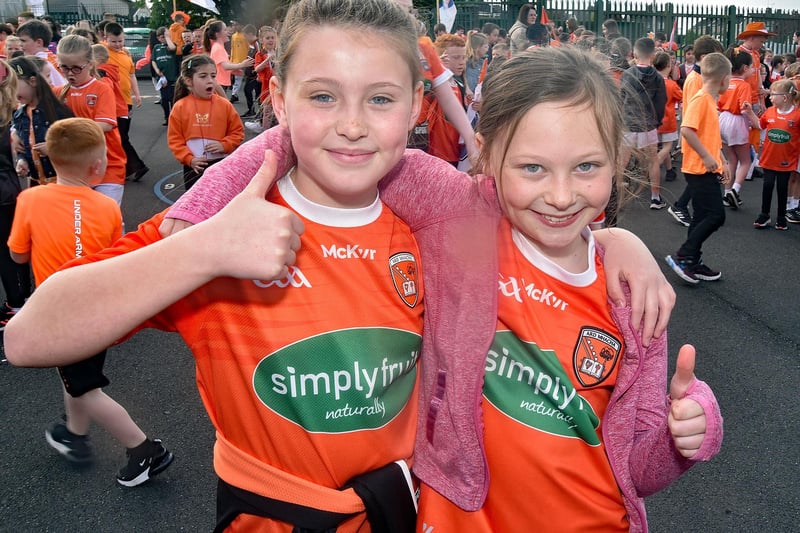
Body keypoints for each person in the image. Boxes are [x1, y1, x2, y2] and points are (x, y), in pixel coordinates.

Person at [158, 47, 714, 532]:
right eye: (533, 169)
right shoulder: (459, 213)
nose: (562, 195)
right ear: (489, 155)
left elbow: (637, 471)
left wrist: (687, 433)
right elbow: (307, 132)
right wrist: (204, 204)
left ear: (618, 162)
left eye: (587, 166)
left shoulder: (632, 299)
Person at [9, 1, 425, 529]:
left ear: (414, 108)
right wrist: (202, 252)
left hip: (398, 510)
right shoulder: (218, 227)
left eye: (381, 99)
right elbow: (27, 339)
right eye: (323, 95)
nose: (351, 124)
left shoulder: (425, 234)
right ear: (279, 99)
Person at [7, 117, 174, 485]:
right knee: (75, 377)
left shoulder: (31, 199)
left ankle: (144, 449)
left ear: (49, 158)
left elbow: (17, 255)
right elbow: (115, 256)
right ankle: (75, 433)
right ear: (98, 166)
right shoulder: (106, 207)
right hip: (99, 308)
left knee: (85, 386)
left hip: (58, 311)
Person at [665, 52, 732, 284]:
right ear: (723, 78)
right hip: (698, 168)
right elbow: (686, 129)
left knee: (702, 215)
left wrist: (722, 160)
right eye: (730, 78)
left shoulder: (710, 101)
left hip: (706, 168)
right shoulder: (702, 99)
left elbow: (709, 137)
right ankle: (684, 255)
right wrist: (706, 156)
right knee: (716, 216)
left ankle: (692, 259)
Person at [56, 34, 127, 205]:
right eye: (64, 68)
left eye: (76, 68)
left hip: (108, 166)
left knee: (107, 218)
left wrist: (64, 133)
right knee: (80, 220)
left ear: (90, 64)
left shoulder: (102, 89)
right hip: (75, 168)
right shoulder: (59, 92)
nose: (69, 73)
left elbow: (105, 125)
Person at [667, 35, 724, 228]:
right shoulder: (695, 80)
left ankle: (684, 207)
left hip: (703, 137)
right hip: (697, 139)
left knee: (700, 178)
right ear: (706, 56)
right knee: (698, 178)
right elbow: (691, 114)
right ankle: (680, 206)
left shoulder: (700, 77)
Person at [168, 54, 244, 191]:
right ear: (189, 81)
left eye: (213, 76)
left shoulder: (225, 105)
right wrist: (189, 159)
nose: (210, 81)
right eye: (203, 76)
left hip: (221, 164)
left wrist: (224, 145)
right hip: (194, 167)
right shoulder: (180, 107)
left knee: (220, 201)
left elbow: (237, 132)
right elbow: (175, 140)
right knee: (196, 204)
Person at [0, 59, 33, 331]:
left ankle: (16, 301)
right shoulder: (15, 114)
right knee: (12, 246)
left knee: (6, 250)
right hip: (9, 187)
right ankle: (21, 297)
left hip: (5, 187)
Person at [620, 37, 667, 209]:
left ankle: (614, 196)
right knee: (653, 161)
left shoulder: (627, 74)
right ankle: (655, 198)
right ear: (653, 55)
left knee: (621, 161)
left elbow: (621, 98)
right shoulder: (658, 78)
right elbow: (661, 102)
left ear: (635, 53)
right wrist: (657, 121)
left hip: (628, 122)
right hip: (648, 124)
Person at [103, 22, 148, 181]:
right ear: (105, 38)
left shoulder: (126, 54)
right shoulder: (102, 53)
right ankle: (133, 166)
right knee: (119, 137)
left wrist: (137, 94)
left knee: (121, 136)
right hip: (109, 102)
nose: (118, 44)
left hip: (125, 101)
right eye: (113, 41)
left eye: (121, 41)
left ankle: (132, 167)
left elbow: (131, 75)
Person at [753, 80, 800, 230]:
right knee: (767, 186)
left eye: (773, 94)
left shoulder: (797, 115)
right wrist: (748, 113)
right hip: (769, 158)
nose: (770, 97)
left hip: (786, 160)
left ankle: (781, 217)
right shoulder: (770, 111)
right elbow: (760, 125)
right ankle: (764, 215)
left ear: (785, 97)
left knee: (781, 188)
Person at [718, 46, 761, 210]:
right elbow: (745, 108)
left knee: (731, 159)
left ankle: (726, 192)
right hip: (737, 122)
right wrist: (755, 122)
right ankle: (734, 190)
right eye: (751, 67)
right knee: (746, 160)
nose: (752, 70)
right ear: (744, 68)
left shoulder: (726, 82)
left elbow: (719, 104)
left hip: (723, 119)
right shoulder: (744, 86)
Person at [203, 20, 253, 95]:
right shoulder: (218, 48)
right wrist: (242, 64)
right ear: (218, 34)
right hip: (219, 83)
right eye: (225, 30)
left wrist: (234, 70)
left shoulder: (218, 47)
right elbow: (225, 66)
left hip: (220, 83)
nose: (229, 31)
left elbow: (220, 66)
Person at [654, 51, 682, 183]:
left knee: (656, 146)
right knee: (667, 147)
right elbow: (681, 97)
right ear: (668, 66)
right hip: (668, 120)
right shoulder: (671, 84)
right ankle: (654, 165)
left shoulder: (650, 82)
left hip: (653, 119)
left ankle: (669, 170)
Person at [16, 19, 66, 86]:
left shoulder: (40, 63)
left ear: (39, 42)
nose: (20, 44)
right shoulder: (52, 57)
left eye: (23, 41)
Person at [151, 26, 179, 126]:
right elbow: (153, 60)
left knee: (172, 98)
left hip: (171, 77)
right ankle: (167, 116)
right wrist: (157, 70)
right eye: (162, 37)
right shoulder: (156, 48)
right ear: (158, 38)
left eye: (166, 36)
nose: (165, 38)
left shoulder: (170, 45)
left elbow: (172, 48)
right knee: (164, 99)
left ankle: (174, 117)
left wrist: (168, 38)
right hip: (162, 78)